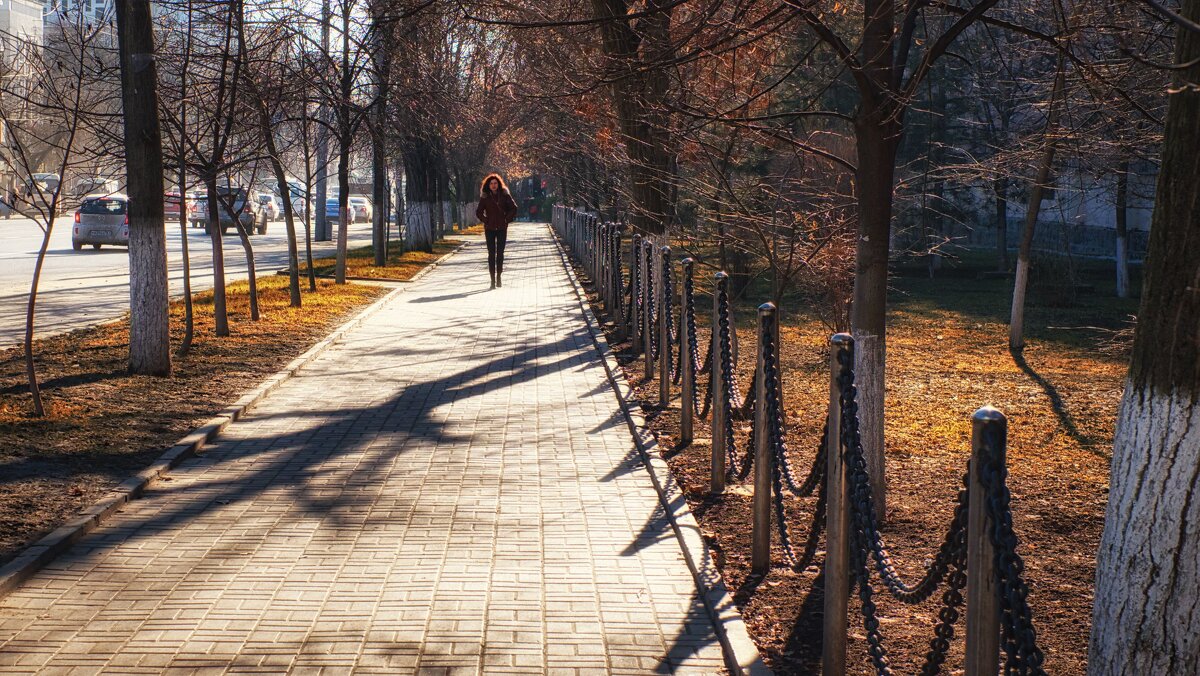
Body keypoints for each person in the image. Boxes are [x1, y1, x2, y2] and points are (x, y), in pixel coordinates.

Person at [475, 173, 517, 289]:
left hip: (502, 228)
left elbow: (514, 208)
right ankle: (492, 280)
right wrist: (486, 220)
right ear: (488, 185)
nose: (493, 185)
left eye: (495, 183)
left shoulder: (505, 195)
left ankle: (499, 276)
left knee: (500, 253)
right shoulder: (485, 197)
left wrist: (506, 219)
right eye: (491, 183)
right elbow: (478, 212)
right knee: (491, 254)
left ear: (498, 184)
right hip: (490, 229)